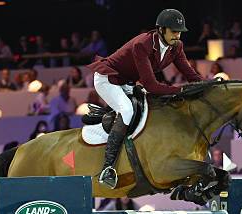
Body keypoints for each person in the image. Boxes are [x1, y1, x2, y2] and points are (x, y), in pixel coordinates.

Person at [87, 9, 203, 189]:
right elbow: (151, 86)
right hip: (108, 79)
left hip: (127, 82)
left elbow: (189, 73)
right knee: (127, 110)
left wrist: (207, 86)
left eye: (179, 31)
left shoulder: (176, 46)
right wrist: (182, 91)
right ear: (161, 29)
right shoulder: (143, 44)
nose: (177, 35)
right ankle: (107, 168)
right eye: (174, 31)